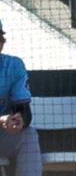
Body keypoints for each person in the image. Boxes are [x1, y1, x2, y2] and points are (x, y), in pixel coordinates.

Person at [0, 18, 39, 176]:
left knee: (28, 135)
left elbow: (23, 109)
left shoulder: (13, 65)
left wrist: (20, 120)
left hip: (2, 135)